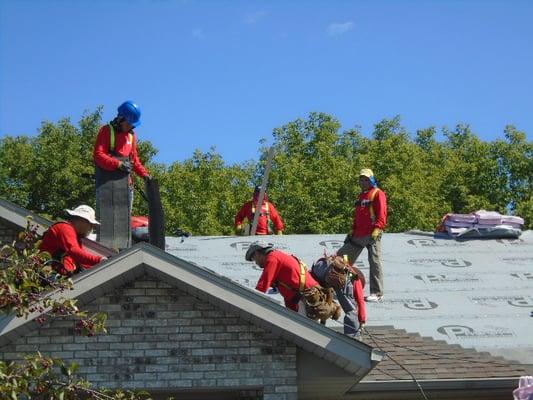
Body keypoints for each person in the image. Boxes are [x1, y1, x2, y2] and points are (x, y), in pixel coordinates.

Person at [337, 168, 387, 302]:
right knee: (342, 259)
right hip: (358, 234)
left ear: (371, 180)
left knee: (374, 261)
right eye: (361, 180)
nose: (363, 182)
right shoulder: (361, 195)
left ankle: (377, 293)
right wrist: (352, 230)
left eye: (366, 180)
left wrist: (378, 228)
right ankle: (347, 285)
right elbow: (358, 216)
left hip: (372, 234)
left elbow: (382, 213)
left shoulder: (377, 193)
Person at [93, 100, 151, 213]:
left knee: (124, 223)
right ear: (120, 119)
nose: (131, 127)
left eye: (132, 124)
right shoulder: (106, 131)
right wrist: (118, 164)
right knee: (104, 222)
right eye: (129, 123)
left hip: (126, 187)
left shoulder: (131, 136)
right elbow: (98, 155)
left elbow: (134, 161)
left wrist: (145, 175)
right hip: (106, 184)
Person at [245, 241, 321, 312]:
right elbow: (288, 293)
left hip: (309, 296)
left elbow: (263, 285)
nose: (256, 263)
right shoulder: (277, 256)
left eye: (254, 259)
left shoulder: (272, 258)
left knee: (304, 325)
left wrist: (249, 303)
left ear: (257, 253)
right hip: (304, 297)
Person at [39, 205, 105, 276]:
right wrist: (100, 260)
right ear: (81, 220)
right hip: (48, 275)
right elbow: (75, 251)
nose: (91, 228)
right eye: (90, 225)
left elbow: (82, 262)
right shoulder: (64, 228)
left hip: (59, 277)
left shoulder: (75, 237)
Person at [311, 255, 366, 335]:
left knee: (320, 300)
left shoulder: (342, 264)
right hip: (335, 277)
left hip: (318, 269)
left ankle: (318, 329)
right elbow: (360, 301)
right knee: (351, 310)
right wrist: (362, 321)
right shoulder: (355, 279)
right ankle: (352, 337)